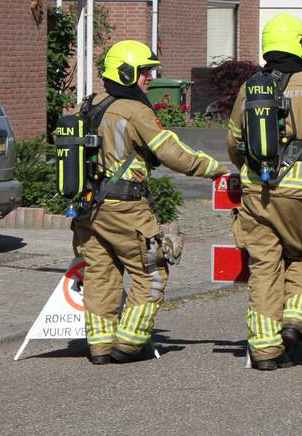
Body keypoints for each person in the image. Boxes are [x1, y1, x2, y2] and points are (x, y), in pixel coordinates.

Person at [73, 40, 225, 365]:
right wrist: (214, 169)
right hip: (126, 209)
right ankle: (128, 344)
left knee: (101, 275)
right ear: (127, 72)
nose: (149, 79)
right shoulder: (134, 111)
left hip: (89, 210)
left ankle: (100, 347)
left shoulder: (88, 105)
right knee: (151, 273)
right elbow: (171, 153)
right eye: (144, 72)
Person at [226, 14, 302, 370]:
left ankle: (264, 350)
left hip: (256, 193)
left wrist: (245, 167)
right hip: (301, 193)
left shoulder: (251, 87)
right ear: (301, 44)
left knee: (264, 266)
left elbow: (233, 142)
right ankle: (293, 324)